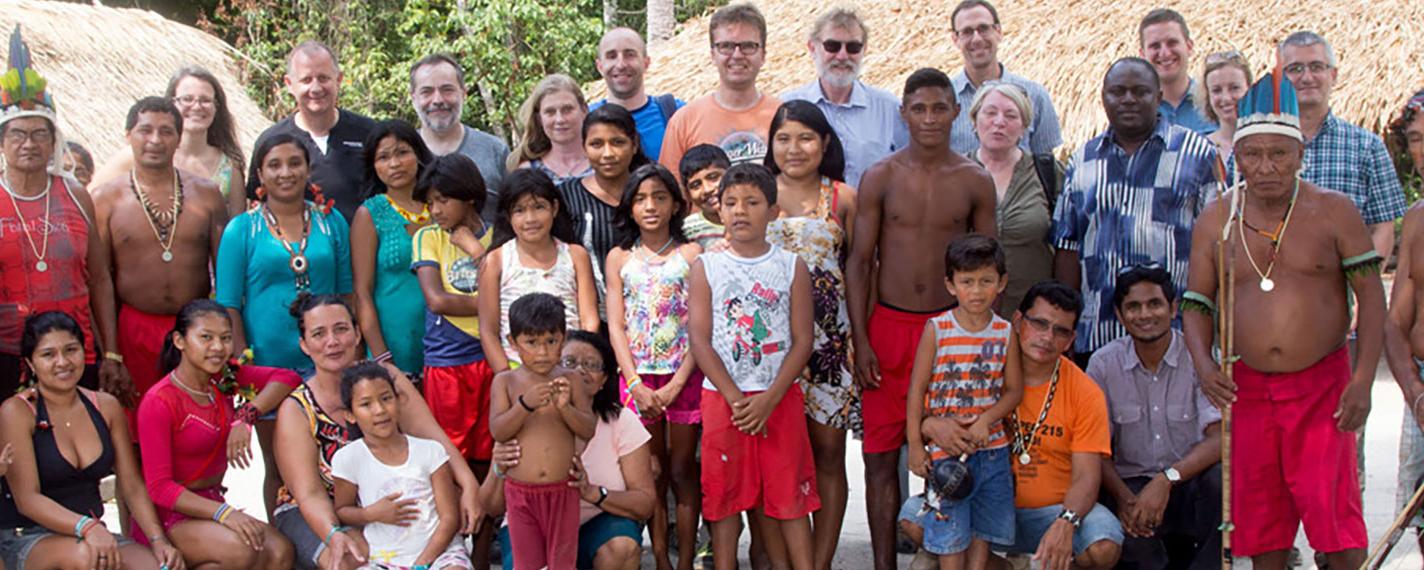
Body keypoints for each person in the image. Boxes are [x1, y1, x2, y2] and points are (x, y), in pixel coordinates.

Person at [1182, 71, 1382, 570]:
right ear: (1238, 157)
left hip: (1323, 388)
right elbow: (1195, 302)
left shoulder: (1335, 212)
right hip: (1247, 389)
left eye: (1279, 154)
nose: (1266, 167)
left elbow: (1372, 299)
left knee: (1335, 522)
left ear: (1300, 155)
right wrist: (1204, 366)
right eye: (1253, 154)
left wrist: (1362, 381)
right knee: (1262, 525)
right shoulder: (1217, 218)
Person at [844, 67, 996, 570]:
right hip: (889, 328)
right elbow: (860, 261)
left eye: (939, 107)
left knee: (953, 453)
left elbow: (989, 263)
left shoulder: (974, 179)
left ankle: (944, 556)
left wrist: (981, 339)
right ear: (904, 112)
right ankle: (884, 564)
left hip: (950, 331)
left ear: (956, 112)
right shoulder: (881, 176)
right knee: (880, 457)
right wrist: (861, 339)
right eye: (919, 108)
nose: (929, 118)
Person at [901, 282, 1124, 569]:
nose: (1047, 337)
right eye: (1039, 323)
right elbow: (924, 406)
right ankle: (1003, 566)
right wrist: (931, 424)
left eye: (1060, 331)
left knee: (1103, 546)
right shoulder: (983, 365)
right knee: (912, 519)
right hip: (979, 503)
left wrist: (1065, 523)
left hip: (1050, 513)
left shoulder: (1085, 391)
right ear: (1018, 321)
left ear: (1071, 340)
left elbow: (1086, 477)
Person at [271, 294, 485, 570]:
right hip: (318, 510)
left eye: (341, 329)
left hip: (391, 499)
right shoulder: (296, 409)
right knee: (351, 557)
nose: (332, 342)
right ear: (304, 344)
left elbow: (433, 437)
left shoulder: (385, 380)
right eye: (319, 334)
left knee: (436, 534)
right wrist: (334, 534)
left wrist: (468, 485)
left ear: (358, 333)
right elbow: (310, 494)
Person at [688, 163, 818, 570]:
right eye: (730, 203)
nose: (740, 210)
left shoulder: (790, 266)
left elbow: (803, 341)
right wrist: (737, 399)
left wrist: (768, 400)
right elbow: (699, 340)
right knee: (724, 501)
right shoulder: (706, 266)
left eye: (752, 202)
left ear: (773, 211)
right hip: (724, 403)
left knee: (790, 499)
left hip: (779, 400)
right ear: (719, 212)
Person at [1052, 57, 1220, 366]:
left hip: (1179, 336)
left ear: (1158, 97)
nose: (1128, 99)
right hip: (1099, 334)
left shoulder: (1198, 155)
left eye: (1140, 91)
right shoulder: (1082, 160)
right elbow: (1067, 246)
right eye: (1118, 91)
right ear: (1104, 97)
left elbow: (1216, 247)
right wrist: (1066, 324)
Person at [0, 28, 129, 403]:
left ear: (53, 141)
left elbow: (100, 280)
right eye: (17, 134)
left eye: (40, 134)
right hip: (8, 354)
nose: (29, 143)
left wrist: (112, 352)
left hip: (75, 352)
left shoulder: (75, 195)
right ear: (2, 142)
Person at [0, 311, 184, 570]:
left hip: (94, 534)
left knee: (159, 566)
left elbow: (131, 485)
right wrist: (86, 527)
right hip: (30, 536)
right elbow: (27, 499)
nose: (62, 362)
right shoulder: (17, 411)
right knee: (89, 559)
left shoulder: (105, 406)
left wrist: (158, 539)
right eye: (48, 355)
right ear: (30, 364)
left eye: (71, 350)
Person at [763, 99, 859, 570]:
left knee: (828, 455)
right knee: (779, 459)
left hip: (829, 349)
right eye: (783, 137)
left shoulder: (841, 197)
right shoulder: (759, 193)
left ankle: (819, 562)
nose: (794, 147)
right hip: (770, 349)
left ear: (824, 143)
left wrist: (860, 340)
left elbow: (859, 271)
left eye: (805, 137)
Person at [91, 97, 228, 420]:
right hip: (133, 330)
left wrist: (223, 337)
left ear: (179, 138)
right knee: (135, 428)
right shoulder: (106, 199)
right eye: (145, 130)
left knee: (198, 427)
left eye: (166, 131)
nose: (155, 140)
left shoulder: (206, 194)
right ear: (128, 135)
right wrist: (111, 352)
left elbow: (226, 275)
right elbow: (100, 281)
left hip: (196, 330)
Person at [135, 299, 298, 568]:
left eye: (225, 338)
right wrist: (225, 514)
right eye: (205, 338)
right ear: (179, 341)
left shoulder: (223, 380)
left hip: (212, 501)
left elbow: (287, 378)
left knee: (280, 551)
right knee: (241, 551)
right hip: (172, 514)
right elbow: (159, 488)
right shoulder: (159, 401)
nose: (218, 347)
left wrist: (245, 416)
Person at [483, 330, 656, 570]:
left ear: (604, 380)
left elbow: (645, 502)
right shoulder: (520, 415)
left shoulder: (622, 421)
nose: (578, 371)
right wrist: (499, 468)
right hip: (533, 528)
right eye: (569, 362)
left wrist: (594, 493)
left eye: (591, 365)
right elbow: (490, 507)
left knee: (622, 548)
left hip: (596, 525)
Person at [1087, 265, 1222, 569]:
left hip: (1188, 483)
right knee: (1139, 554)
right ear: (1120, 316)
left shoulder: (1199, 357)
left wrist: (1166, 479)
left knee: (1221, 481)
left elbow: (1220, 439)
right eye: (1133, 307)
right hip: (1130, 489)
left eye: (1154, 304)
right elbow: (1093, 447)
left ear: (1173, 308)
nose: (1144, 314)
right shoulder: (1102, 364)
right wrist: (1124, 499)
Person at [903, 235, 1022, 569]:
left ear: (1002, 283)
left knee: (983, 532)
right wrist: (915, 444)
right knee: (949, 534)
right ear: (951, 285)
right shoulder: (937, 329)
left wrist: (988, 419)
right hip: (946, 455)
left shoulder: (1004, 332)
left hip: (992, 450)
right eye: (967, 282)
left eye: (986, 281)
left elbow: (1014, 391)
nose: (977, 291)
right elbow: (917, 389)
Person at [604, 163, 702, 569]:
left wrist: (677, 384)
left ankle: (685, 559)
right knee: (652, 472)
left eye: (660, 197)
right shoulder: (619, 257)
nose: (650, 206)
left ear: (676, 205)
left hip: (684, 377)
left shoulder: (691, 254)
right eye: (641, 198)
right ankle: (659, 554)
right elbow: (616, 323)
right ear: (628, 206)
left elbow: (701, 323)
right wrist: (634, 381)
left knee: (682, 472)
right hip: (638, 378)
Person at [217, 134, 353, 372]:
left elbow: (347, 294)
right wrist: (243, 365)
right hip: (266, 367)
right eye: (274, 165)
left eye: (295, 163)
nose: (286, 173)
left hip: (329, 362)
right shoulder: (241, 230)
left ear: (308, 169)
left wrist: (351, 355)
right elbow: (228, 305)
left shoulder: (331, 221)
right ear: (260, 174)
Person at [489, 293, 597, 570]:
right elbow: (499, 431)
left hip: (563, 490)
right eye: (531, 342)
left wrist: (565, 409)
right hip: (520, 492)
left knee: (563, 562)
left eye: (551, 341)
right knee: (527, 564)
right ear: (512, 343)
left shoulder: (572, 379)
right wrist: (525, 405)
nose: (542, 352)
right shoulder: (506, 382)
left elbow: (588, 429)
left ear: (564, 337)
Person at [1278, 31, 1405, 264]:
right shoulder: (1258, 147)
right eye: (1295, 69)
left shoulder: (1367, 146)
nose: (1306, 77)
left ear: (1333, 75)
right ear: (1280, 78)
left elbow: (1382, 228)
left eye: (1316, 66)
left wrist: (1365, 292)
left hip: (1345, 292)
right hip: (1273, 292)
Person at [331, 362, 470, 570]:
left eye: (386, 398)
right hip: (385, 560)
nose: (379, 410)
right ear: (350, 414)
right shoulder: (347, 459)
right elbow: (342, 510)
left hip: (439, 553)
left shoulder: (430, 451)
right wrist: (370, 514)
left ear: (399, 400)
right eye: (366, 404)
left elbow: (449, 518)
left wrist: (422, 565)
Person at [411, 154, 496, 467]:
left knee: (491, 446)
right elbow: (437, 300)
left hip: (491, 356)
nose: (435, 211)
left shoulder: (496, 237)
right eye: (430, 203)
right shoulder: (428, 237)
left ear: (469, 196)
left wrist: (475, 250)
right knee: (449, 451)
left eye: (443, 201)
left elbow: (508, 285)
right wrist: (492, 305)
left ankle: (489, 515)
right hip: (447, 358)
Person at [478, 170, 600, 371]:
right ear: (508, 216)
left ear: (554, 208)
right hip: (516, 367)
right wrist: (506, 375)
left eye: (539, 207)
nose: (530, 218)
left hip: (568, 368)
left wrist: (577, 366)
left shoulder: (575, 255)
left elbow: (589, 321)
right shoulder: (496, 260)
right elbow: (488, 330)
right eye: (519, 210)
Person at [247, 41, 376, 220]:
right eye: (306, 80)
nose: (316, 88)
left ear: (338, 80)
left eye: (323, 78)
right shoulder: (272, 142)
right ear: (289, 84)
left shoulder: (370, 133)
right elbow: (257, 206)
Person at [95, 66, 249, 216]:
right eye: (187, 99)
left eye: (205, 100)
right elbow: (89, 201)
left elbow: (237, 231)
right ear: (171, 103)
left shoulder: (229, 168)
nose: (197, 106)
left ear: (217, 107)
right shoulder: (136, 156)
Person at [780, 7, 907, 188]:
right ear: (812, 47)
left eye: (853, 47)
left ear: (865, 50)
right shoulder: (787, 106)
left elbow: (912, 168)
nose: (842, 55)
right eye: (832, 46)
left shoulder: (889, 108)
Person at [352, 120, 434, 376]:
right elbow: (361, 293)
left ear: (418, 154)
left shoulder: (441, 204)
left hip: (447, 344)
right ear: (373, 166)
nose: (394, 164)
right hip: (394, 346)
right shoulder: (370, 214)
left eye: (402, 152)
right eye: (383, 157)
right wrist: (381, 356)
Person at [659, 3, 781, 173]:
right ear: (712, 55)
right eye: (726, 46)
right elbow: (671, 193)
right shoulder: (684, 122)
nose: (737, 55)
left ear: (763, 55)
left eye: (748, 46)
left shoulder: (783, 117)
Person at [967, 82, 1056, 316]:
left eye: (1010, 115)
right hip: (969, 317)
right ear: (974, 120)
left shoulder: (1047, 172)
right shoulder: (956, 175)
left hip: (1033, 315)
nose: (999, 122)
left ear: (1024, 126)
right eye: (990, 113)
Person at [1384, 87, 1424, 554]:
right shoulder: (1415, 220)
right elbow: (1396, 323)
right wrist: (1415, 393)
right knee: (1420, 522)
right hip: (1423, 393)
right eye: (1415, 138)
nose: (1421, 150)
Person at [947, 0, 1062, 156]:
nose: (977, 39)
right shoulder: (944, 100)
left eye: (984, 29)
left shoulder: (1035, 95)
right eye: (967, 32)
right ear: (955, 39)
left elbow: (1046, 165)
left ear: (998, 32)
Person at [561, 104, 652, 301]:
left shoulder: (654, 194)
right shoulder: (566, 197)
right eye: (597, 144)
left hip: (650, 312)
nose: (608, 153)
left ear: (634, 144)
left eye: (618, 142)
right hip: (589, 317)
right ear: (583, 147)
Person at [409, 54, 510, 224]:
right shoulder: (399, 156)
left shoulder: (495, 151)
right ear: (413, 98)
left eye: (447, 90)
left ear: (463, 94)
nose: (438, 100)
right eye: (427, 92)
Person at [591, 28, 685, 162]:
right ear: (599, 66)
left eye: (630, 55)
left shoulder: (678, 115)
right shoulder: (585, 120)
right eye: (612, 56)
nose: (621, 64)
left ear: (646, 63)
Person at [1138, 9, 1213, 134]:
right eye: (1155, 46)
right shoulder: (1135, 112)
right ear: (1142, 55)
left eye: (1172, 43)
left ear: (1189, 47)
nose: (1165, 53)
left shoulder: (1215, 104)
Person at [508, 74, 592, 184]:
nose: (560, 119)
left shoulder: (607, 162)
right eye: (550, 112)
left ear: (584, 110)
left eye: (567, 109)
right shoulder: (528, 173)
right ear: (539, 118)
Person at [1200, 51, 1253, 159]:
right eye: (1216, 90)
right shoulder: (1198, 151)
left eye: (1234, 88)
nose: (1226, 98)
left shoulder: (1273, 143)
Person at [679, 144, 730, 249]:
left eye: (713, 178)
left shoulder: (753, 216)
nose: (707, 189)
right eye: (696, 185)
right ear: (687, 194)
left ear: (731, 174)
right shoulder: (686, 230)